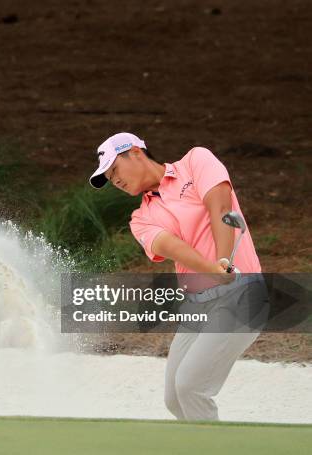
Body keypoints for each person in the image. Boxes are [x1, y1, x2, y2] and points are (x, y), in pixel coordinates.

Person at [88, 132, 267, 421]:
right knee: (174, 397)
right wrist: (212, 270)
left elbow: (219, 207)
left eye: (114, 170)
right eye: (108, 178)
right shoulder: (141, 218)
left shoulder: (196, 161)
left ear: (135, 152)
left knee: (190, 388)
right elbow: (172, 247)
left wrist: (223, 261)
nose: (114, 181)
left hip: (241, 294)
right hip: (197, 306)